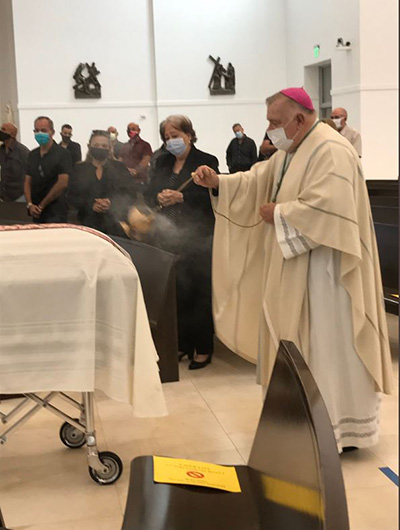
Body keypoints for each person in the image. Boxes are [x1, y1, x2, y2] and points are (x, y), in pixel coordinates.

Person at [193, 87, 392, 451]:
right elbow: (259, 178)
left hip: (326, 276)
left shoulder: (331, 149)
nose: (270, 130)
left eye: (275, 122)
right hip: (296, 264)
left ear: (298, 119)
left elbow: (332, 208)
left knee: (325, 347)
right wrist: (219, 181)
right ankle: (306, 423)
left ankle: (336, 430)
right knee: (301, 345)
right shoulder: (294, 149)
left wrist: (280, 214)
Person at [145, 115, 219, 370]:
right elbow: (147, 192)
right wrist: (159, 195)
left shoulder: (206, 161)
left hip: (197, 236)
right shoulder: (162, 161)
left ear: (189, 135)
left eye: (175, 135)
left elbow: (211, 197)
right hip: (166, 236)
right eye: (167, 137)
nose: (171, 141)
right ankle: (181, 342)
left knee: (198, 292)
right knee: (177, 292)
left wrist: (182, 198)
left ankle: (203, 347)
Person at [68, 130, 136, 236]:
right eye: (96, 145)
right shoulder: (79, 169)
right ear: (89, 146)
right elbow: (71, 196)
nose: (100, 148)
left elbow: (131, 193)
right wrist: (91, 204)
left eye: (104, 145)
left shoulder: (120, 168)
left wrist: (111, 202)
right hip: (86, 225)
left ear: (109, 148)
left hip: (115, 224)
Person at [25, 116, 72, 223]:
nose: (39, 133)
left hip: (55, 210)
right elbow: (27, 181)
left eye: (44, 130)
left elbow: (62, 183)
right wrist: (30, 204)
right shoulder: (32, 155)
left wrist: (42, 205)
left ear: (52, 132)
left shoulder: (63, 154)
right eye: (36, 131)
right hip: (35, 210)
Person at [0, 122, 30, 201]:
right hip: (5, 195)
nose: (1, 132)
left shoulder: (22, 152)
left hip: (20, 195)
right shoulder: (2, 150)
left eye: (4, 129)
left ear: (12, 134)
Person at [119, 122, 153, 190]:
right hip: (125, 182)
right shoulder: (124, 146)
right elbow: (120, 161)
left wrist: (135, 171)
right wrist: (125, 171)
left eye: (133, 129)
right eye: (129, 130)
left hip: (140, 182)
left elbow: (145, 161)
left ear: (139, 130)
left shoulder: (145, 145)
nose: (131, 131)